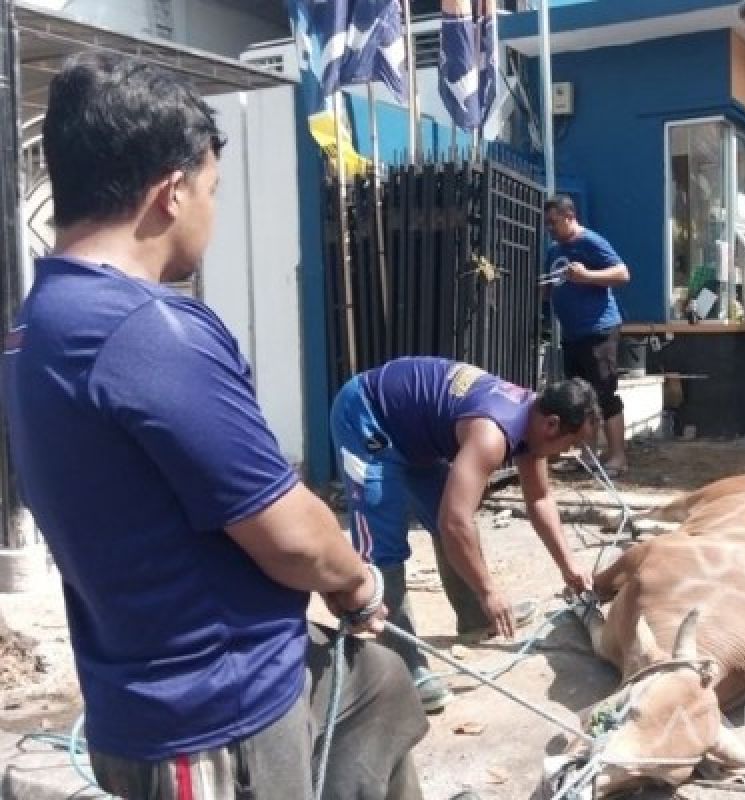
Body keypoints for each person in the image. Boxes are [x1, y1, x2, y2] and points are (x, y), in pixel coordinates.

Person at [1, 54, 432, 799]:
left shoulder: (37, 325)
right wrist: (358, 585)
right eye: (212, 189)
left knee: (380, 686)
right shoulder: (148, 331)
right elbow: (293, 536)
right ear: (171, 193)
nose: (212, 209)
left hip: (174, 682)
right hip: (212, 718)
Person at [330, 357, 597, 711]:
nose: (569, 453)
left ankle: (474, 616)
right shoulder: (493, 433)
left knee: (451, 512)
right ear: (552, 425)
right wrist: (490, 590)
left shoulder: (532, 427)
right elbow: (455, 523)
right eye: (571, 443)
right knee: (384, 546)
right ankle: (403, 665)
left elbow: (540, 498)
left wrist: (569, 565)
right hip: (369, 417)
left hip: (416, 436)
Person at [543, 195, 631, 475]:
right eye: (547, 224)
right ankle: (588, 456)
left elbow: (622, 273)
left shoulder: (590, 242)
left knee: (605, 394)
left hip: (599, 330)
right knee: (580, 397)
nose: (550, 229)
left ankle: (618, 457)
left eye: (554, 223)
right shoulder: (554, 251)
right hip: (572, 333)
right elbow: (554, 283)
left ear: (570, 217)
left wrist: (587, 277)